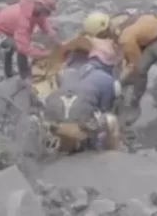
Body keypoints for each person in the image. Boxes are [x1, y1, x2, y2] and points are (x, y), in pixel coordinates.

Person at [34, 12, 122, 153]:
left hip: (53, 106)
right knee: (108, 118)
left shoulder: (66, 72)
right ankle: (102, 149)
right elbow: (105, 109)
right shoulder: (106, 79)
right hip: (81, 114)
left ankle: (54, 140)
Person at [109, 10, 157, 124]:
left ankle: (135, 105)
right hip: (145, 33)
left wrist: (120, 80)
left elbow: (134, 63)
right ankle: (123, 86)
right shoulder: (111, 24)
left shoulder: (125, 37)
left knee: (140, 69)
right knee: (120, 61)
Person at [0, 0, 59, 81]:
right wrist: (43, 54)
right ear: (39, 5)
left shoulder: (36, 10)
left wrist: (54, 39)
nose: (48, 14)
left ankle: (9, 73)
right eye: (47, 11)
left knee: (12, 47)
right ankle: (25, 76)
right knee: (16, 46)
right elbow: (23, 47)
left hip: (7, 28)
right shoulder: (23, 18)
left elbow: (44, 23)